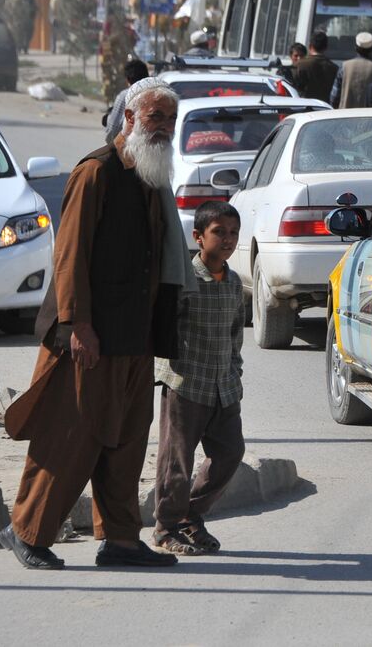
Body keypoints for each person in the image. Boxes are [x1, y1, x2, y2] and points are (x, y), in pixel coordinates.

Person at [0, 77, 192, 571]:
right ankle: (26, 531)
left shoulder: (151, 177)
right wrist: (77, 324)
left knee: (128, 441)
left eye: (171, 120)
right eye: (155, 118)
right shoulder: (96, 172)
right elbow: (69, 255)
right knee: (72, 437)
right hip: (91, 337)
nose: (165, 128)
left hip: (135, 337)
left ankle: (122, 541)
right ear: (128, 118)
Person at [152, 201, 246, 556]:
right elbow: (167, 326)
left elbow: (236, 333)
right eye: (219, 232)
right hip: (186, 384)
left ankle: (191, 513)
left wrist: (234, 372)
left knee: (230, 452)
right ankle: (166, 528)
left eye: (233, 232)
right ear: (198, 236)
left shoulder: (234, 282)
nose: (228, 240)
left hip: (224, 386)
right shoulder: (185, 279)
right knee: (177, 461)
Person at [104, 59, 151, 145]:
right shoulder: (156, 95)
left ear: (128, 79)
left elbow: (112, 129)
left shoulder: (125, 96)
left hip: (129, 150)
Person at [330, 31, 372, 108]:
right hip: (369, 116)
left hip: (345, 115)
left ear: (355, 48)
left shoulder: (345, 66)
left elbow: (334, 97)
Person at [293, 31, 339, 105]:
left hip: (304, 109)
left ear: (310, 46)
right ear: (326, 47)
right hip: (325, 110)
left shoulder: (299, 65)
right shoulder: (334, 68)